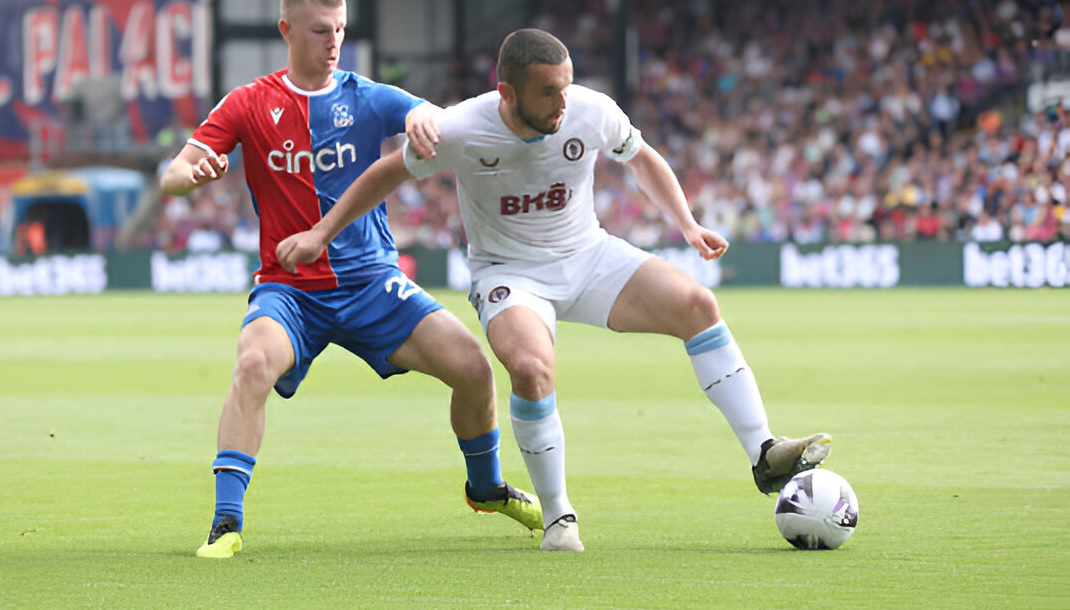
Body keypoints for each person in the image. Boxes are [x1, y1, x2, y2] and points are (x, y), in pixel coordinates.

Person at [277, 28, 831, 552]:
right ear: (507, 93)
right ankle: (559, 515)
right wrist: (321, 232)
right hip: (509, 273)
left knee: (697, 304)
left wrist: (687, 224)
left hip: (588, 256)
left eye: (564, 86)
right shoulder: (462, 129)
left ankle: (764, 453)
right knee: (531, 368)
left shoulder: (590, 110)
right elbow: (384, 174)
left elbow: (642, 159)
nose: (561, 103)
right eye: (547, 92)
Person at [158, 0, 542, 559]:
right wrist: (191, 177)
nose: (333, 42)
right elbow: (172, 173)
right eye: (320, 31)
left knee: (473, 368)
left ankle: (485, 488)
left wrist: (422, 119)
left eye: (340, 30)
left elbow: (436, 118)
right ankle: (225, 523)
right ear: (287, 31)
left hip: (372, 283)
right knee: (254, 361)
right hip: (290, 289)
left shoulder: (368, 97)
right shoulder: (248, 103)